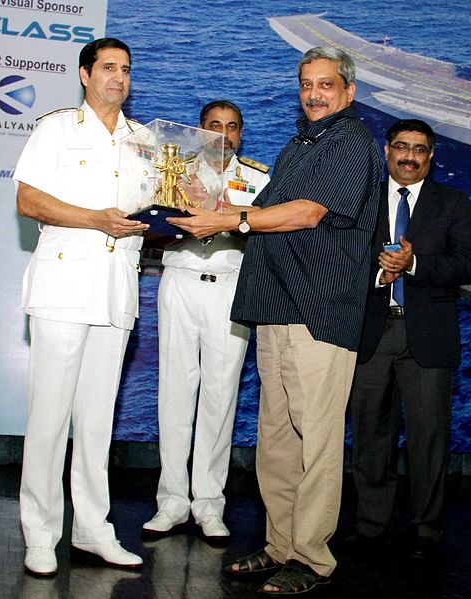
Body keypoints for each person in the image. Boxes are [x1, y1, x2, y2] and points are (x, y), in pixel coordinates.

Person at [167, 48, 382, 595]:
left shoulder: (352, 142)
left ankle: (311, 558)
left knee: (316, 441)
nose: (314, 93)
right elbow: (258, 209)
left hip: (320, 311)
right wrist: (204, 200)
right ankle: (280, 545)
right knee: (278, 438)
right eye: (307, 83)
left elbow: (308, 212)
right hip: (277, 306)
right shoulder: (298, 144)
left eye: (326, 85)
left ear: (348, 92)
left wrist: (230, 217)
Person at [15, 38, 148, 577]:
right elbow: (28, 200)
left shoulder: (145, 141)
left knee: (97, 421)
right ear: (84, 73)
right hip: (64, 286)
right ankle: (41, 532)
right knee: (49, 418)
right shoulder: (56, 129)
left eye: (126, 70)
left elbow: (157, 207)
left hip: (116, 289)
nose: (118, 77)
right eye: (109, 68)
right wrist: (96, 218)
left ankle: (94, 529)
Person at [349, 119, 471, 559]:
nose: (409, 156)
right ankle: (371, 523)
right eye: (401, 147)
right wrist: (379, 272)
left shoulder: (454, 202)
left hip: (428, 335)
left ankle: (426, 526)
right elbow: (342, 259)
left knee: (428, 437)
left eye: (419, 149)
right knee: (370, 434)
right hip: (371, 331)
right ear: (387, 150)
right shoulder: (362, 199)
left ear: (431, 155)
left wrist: (414, 264)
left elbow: (466, 266)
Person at [142, 100, 270, 541]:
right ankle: (171, 501)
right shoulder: (173, 170)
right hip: (179, 279)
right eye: (215, 126)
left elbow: (267, 235)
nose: (224, 134)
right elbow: (149, 228)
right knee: (174, 392)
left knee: (220, 395)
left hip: (230, 287)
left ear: (241, 133)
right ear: (199, 130)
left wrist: (231, 219)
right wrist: (173, 219)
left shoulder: (258, 178)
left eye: (232, 127)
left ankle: (210, 504)